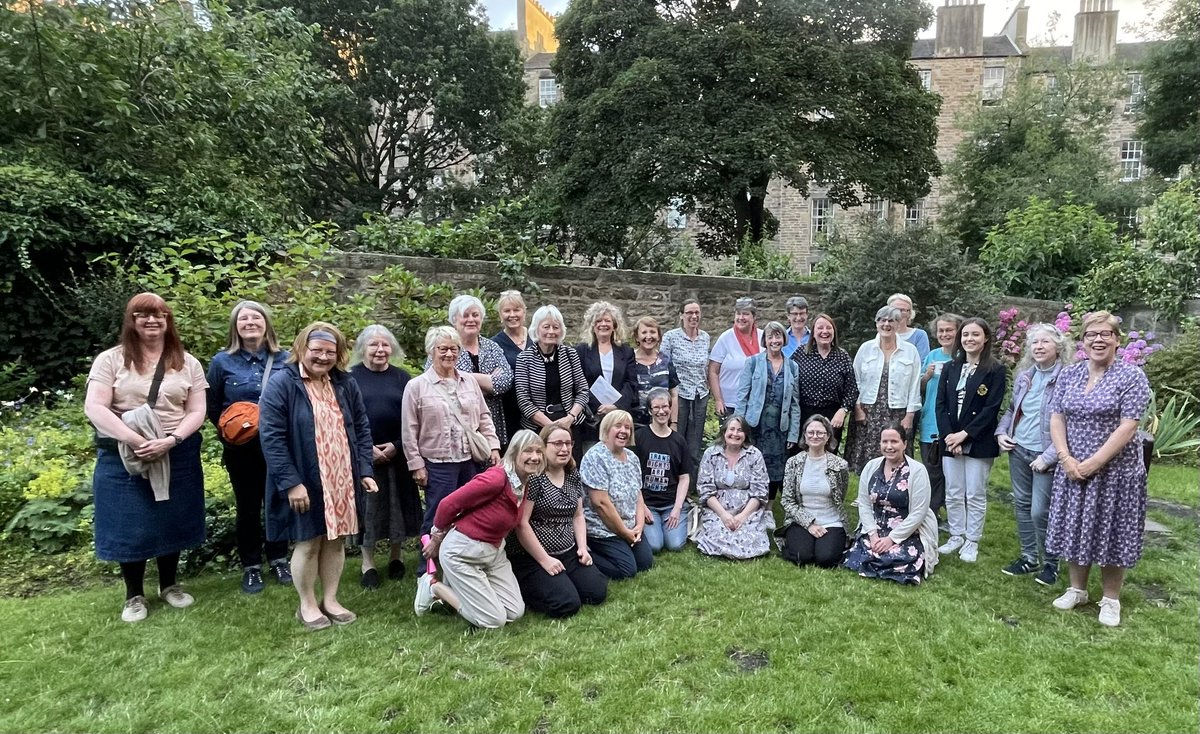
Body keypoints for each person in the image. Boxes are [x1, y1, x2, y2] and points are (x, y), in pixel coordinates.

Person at [85, 293, 208, 623]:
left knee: (172, 517)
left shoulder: (187, 362)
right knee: (129, 522)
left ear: (168, 320)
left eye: (159, 315)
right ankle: (134, 595)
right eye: (143, 315)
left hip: (176, 449)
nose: (151, 321)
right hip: (126, 453)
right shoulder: (111, 360)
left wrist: (171, 440)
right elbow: (95, 407)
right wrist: (137, 440)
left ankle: (169, 585)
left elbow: (197, 410)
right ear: (132, 320)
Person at [259, 322, 379, 630]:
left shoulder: (345, 383)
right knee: (309, 542)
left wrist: (365, 469)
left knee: (336, 541)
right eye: (317, 350)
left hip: (342, 478)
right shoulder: (282, 383)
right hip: (307, 480)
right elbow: (271, 437)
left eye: (330, 352)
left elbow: (361, 428)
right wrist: (291, 483)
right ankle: (307, 605)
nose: (323, 357)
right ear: (302, 349)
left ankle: (331, 600)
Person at [1045, 311, 1151, 627]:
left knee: (1112, 531)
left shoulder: (1131, 377)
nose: (1098, 340)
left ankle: (1110, 599)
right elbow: (1057, 417)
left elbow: (1128, 426)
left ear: (1117, 340)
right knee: (1076, 526)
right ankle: (1077, 589)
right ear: (1083, 341)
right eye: (1091, 334)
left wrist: (1095, 462)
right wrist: (1065, 458)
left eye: (1106, 334)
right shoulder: (1070, 374)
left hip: (1116, 473)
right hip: (1073, 467)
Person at [414, 430, 545, 629]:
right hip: (463, 553)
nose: (534, 457)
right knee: (493, 621)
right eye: (528, 451)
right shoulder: (496, 478)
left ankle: (465, 592)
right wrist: (436, 539)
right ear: (514, 452)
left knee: (515, 612)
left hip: (493, 553)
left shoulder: (523, 480)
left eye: (539, 452)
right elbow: (448, 504)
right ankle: (433, 587)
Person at [205, 300, 292, 594]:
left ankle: (279, 559)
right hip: (242, 450)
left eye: (256, 317)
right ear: (236, 326)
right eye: (244, 319)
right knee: (248, 507)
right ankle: (251, 566)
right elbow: (213, 406)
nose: (250, 322)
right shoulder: (222, 362)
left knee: (278, 503)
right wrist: (233, 434)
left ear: (266, 323)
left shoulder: (285, 359)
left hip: (279, 445)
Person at [402, 326, 501, 538]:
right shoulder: (416, 386)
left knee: (469, 513)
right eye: (443, 349)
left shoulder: (469, 381)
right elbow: (409, 429)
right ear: (432, 351)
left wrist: (493, 446)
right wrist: (416, 465)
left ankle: (459, 556)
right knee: (436, 517)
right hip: (438, 465)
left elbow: (484, 416)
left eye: (454, 349)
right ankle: (429, 558)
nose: (449, 354)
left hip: (470, 462)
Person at [996, 323, 1072, 586]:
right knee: (1022, 504)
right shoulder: (1025, 376)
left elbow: (1069, 423)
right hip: (1019, 450)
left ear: (1058, 347)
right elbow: (1011, 410)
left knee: (1040, 511)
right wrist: (1001, 433)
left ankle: (1051, 562)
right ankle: (1029, 558)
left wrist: (1049, 457)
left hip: (1045, 455)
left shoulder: (1067, 378)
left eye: (1045, 342)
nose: (1039, 347)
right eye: (1034, 343)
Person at [509, 425, 609, 618]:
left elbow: (578, 515)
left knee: (596, 592)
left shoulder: (573, 474)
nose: (564, 449)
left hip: (568, 551)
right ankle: (523, 587)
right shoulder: (535, 478)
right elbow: (522, 523)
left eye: (568, 443)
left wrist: (582, 548)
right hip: (533, 556)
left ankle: (563, 582)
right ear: (543, 446)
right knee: (567, 604)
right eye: (557, 443)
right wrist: (544, 560)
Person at [350, 325, 419, 589]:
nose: (380, 350)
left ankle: (396, 557)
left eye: (385, 345)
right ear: (362, 349)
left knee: (397, 507)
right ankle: (367, 563)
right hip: (364, 456)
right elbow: (345, 419)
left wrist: (397, 445)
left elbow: (414, 418)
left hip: (397, 454)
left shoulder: (403, 378)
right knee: (369, 510)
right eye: (373, 345)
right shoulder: (350, 378)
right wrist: (366, 448)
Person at [934, 317, 1006, 563]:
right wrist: (949, 437)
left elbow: (991, 408)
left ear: (986, 338)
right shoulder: (951, 368)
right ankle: (956, 535)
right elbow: (941, 404)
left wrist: (964, 436)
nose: (969, 339)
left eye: (975, 334)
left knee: (975, 493)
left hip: (978, 440)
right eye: (965, 335)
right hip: (950, 440)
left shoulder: (995, 370)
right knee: (954, 491)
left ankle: (972, 540)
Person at [844, 423, 939, 584]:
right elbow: (864, 503)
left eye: (894, 441)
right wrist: (873, 535)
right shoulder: (871, 466)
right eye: (885, 442)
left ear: (905, 444)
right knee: (866, 550)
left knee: (900, 556)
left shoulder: (917, 471)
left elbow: (919, 512)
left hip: (907, 530)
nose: (889, 446)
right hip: (876, 527)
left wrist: (891, 539)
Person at [846, 305, 922, 473]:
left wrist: (910, 415)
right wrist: (857, 409)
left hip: (898, 412)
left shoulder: (910, 351)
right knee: (867, 459)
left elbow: (914, 385)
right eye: (882, 320)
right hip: (868, 412)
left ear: (898, 324)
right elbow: (854, 380)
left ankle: (895, 488)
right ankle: (867, 488)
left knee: (896, 455)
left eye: (891, 321)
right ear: (876, 324)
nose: (886, 324)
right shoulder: (866, 349)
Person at [432, 295, 513, 451]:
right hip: (455, 430)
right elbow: (438, 385)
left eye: (475, 315)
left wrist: (461, 378)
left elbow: (505, 382)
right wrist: (488, 380)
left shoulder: (492, 347)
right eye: (465, 315)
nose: (471, 320)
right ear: (454, 320)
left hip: (492, 429)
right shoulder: (443, 348)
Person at [580, 410, 653, 579]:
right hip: (602, 528)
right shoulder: (595, 457)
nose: (623, 431)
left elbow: (638, 495)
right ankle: (586, 553)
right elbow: (601, 504)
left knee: (645, 563)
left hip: (629, 525)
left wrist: (639, 526)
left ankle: (624, 545)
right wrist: (624, 533)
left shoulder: (632, 458)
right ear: (607, 428)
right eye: (618, 426)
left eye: (627, 427)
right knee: (626, 570)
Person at [736, 320, 801, 499]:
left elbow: (795, 403)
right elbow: (742, 396)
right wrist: (739, 427)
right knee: (752, 465)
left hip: (780, 429)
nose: (774, 341)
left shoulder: (792, 367)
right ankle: (750, 502)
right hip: (755, 426)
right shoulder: (753, 363)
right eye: (770, 337)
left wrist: (793, 434)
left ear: (784, 339)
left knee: (775, 470)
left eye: (778, 336)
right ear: (765, 340)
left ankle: (769, 506)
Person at [694, 415, 775, 559]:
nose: (735, 434)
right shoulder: (711, 454)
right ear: (724, 432)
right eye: (731, 429)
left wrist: (742, 517)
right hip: (718, 510)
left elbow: (760, 491)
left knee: (749, 538)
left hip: (747, 510)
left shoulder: (754, 455)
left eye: (740, 430)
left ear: (745, 434)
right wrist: (724, 516)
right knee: (717, 534)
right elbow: (705, 490)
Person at [779, 415, 850, 568]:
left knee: (825, 559)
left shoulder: (840, 465)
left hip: (831, 520)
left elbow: (841, 495)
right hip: (800, 520)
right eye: (810, 432)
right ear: (805, 436)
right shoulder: (793, 462)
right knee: (802, 557)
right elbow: (787, 500)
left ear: (828, 436)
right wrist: (809, 524)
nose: (815, 436)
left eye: (820, 433)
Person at [632, 388, 694, 553]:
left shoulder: (679, 441)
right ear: (650, 411)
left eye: (665, 406)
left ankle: (682, 516)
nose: (661, 411)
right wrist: (642, 507)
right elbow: (631, 476)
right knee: (655, 545)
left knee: (675, 545)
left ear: (670, 408)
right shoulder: (639, 436)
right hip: (647, 504)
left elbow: (684, 477)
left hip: (671, 504)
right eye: (656, 407)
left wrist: (677, 509)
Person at [514, 305, 590, 434]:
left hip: (570, 423)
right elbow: (523, 400)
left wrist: (570, 417)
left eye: (555, 327)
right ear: (536, 329)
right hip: (537, 427)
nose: (551, 331)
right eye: (546, 327)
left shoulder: (570, 354)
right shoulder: (524, 358)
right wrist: (551, 427)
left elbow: (583, 390)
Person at [575, 301, 638, 456]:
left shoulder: (626, 352)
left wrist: (616, 406)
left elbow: (631, 383)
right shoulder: (582, 351)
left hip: (619, 417)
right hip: (592, 419)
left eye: (607, 321)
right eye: (598, 321)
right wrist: (599, 406)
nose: (603, 324)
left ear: (614, 325)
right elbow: (579, 383)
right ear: (592, 326)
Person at [918, 313, 962, 522]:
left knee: (953, 474)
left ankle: (953, 516)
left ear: (958, 332)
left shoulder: (964, 357)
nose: (944, 334)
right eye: (941, 330)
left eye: (949, 330)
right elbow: (919, 388)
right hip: (930, 422)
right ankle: (932, 514)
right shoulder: (932, 356)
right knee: (932, 471)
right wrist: (926, 376)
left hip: (955, 425)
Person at [661, 299, 710, 482]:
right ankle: (672, 482)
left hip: (700, 395)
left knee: (695, 444)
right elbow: (663, 365)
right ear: (681, 315)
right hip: (679, 395)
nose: (693, 316)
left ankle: (691, 485)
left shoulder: (705, 337)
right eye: (689, 312)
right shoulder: (671, 337)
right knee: (676, 439)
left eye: (697, 312)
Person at [793, 313, 857, 454]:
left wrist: (843, 410)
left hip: (832, 415)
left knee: (828, 455)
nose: (824, 331)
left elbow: (852, 389)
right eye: (820, 328)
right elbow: (788, 381)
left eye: (828, 328)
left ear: (834, 332)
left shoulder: (842, 356)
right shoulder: (801, 353)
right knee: (802, 454)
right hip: (803, 413)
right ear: (813, 332)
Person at [708, 297, 764, 419]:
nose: (741, 317)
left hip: (756, 403)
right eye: (738, 313)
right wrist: (718, 400)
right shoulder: (725, 338)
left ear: (754, 317)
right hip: (730, 404)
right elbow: (713, 370)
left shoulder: (763, 337)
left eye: (745, 314)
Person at [493, 290, 534, 450]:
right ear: (500, 314)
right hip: (509, 411)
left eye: (516, 310)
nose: (512, 315)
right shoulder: (494, 345)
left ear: (524, 311)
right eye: (507, 311)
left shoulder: (537, 338)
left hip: (538, 411)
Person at [630, 316, 679, 427]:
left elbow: (674, 394)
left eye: (652, 332)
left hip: (661, 424)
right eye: (644, 332)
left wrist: (674, 423)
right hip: (634, 425)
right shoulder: (629, 360)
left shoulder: (666, 361)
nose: (649, 336)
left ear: (659, 337)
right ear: (637, 337)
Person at [889, 293, 931, 361]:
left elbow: (923, 362)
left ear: (909, 313)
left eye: (903, 310)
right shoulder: (883, 334)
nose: (898, 313)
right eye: (895, 310)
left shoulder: (919, 335)